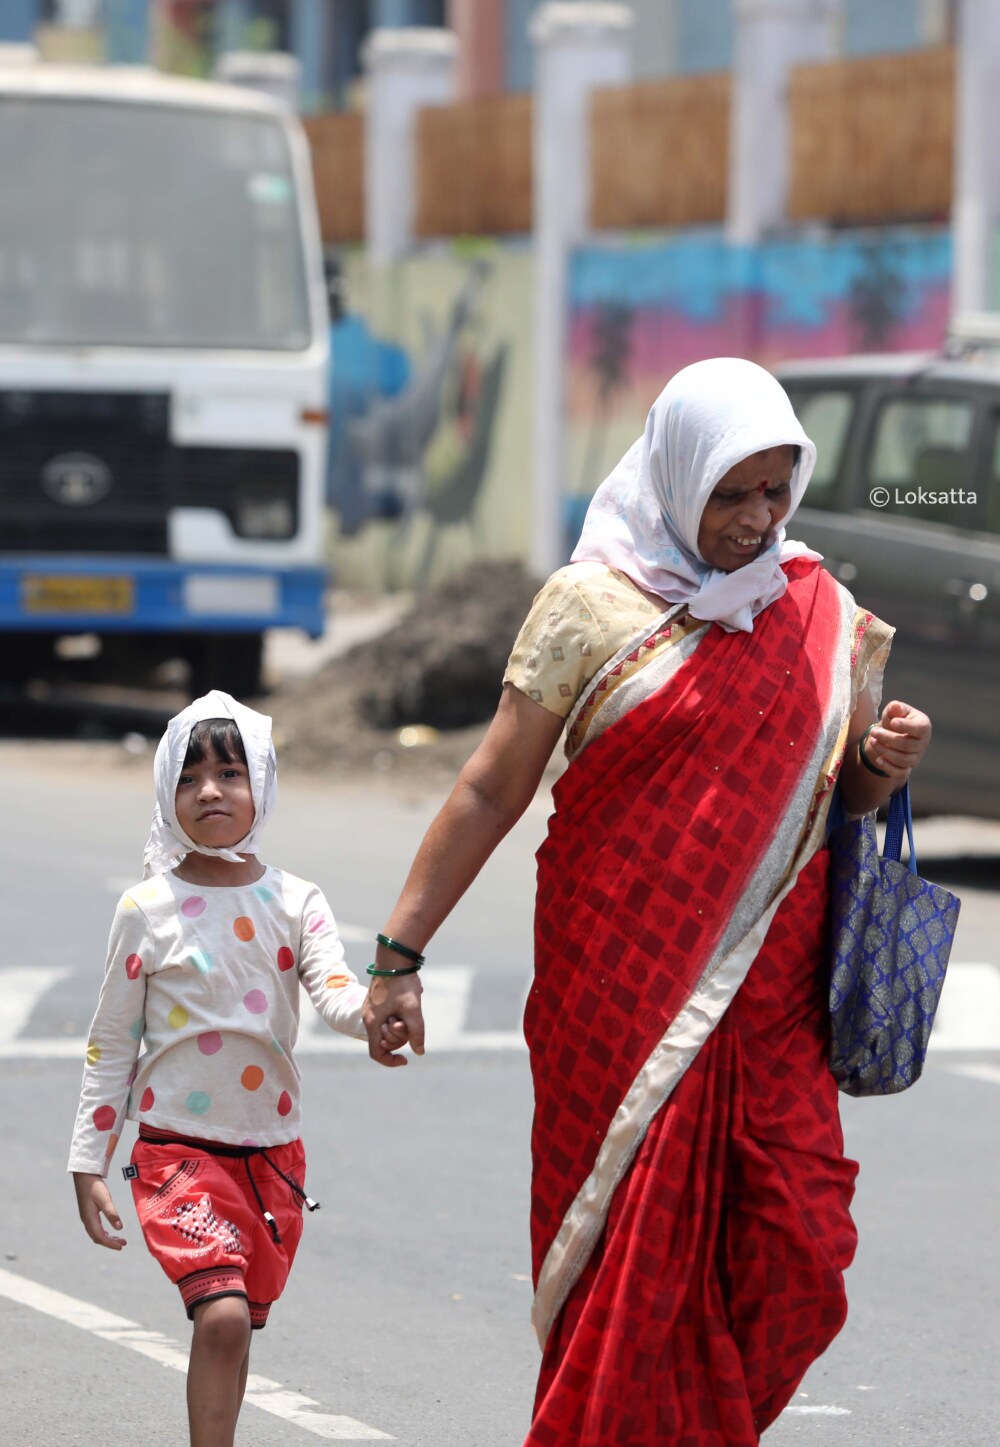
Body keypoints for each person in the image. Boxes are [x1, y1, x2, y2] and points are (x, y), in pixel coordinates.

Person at [363, 358, 932, 1446]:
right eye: (730, 494)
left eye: (775, 491)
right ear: (677, 477)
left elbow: (840, 796)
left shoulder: (818, 609)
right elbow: (490, 786)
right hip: (614, 992)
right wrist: (398, 954)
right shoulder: (589, 606)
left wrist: (881, 762)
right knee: (629, 1257)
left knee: (801, 1256)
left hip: (773, 1005)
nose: (756, 521)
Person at [69, 690, 369, 1447]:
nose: (211, 791)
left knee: (234, 1329)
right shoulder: (147, 906)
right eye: (191, 776)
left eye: (231, 773)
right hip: (176, 1155)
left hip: (272, 1157)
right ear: (167, 793)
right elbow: (111, 1038)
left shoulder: (298, 900)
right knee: (224, 1312)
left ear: (260, 785)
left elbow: (335, 990)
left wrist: (375, 1016)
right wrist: (89, 1161)